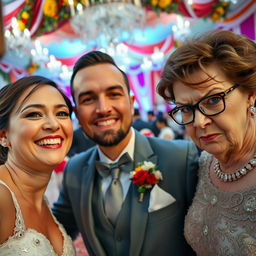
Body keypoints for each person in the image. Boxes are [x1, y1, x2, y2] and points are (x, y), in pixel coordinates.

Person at [52, 50, 199, 256]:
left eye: (113, 94)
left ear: (130, 103)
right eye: (88, 99)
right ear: (77, 114)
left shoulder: (181, 158)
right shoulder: (74, 171)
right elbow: (51, 232)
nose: (103, 108)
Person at [157, 30, 256, 256]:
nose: (200, 121)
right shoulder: (203, 163)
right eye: (185, 109)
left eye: (213, 100)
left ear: (250, 94)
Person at [0, 76, 76, 255]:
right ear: (3, 135)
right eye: (33, 114)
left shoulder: (43, 201)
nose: (53, 124)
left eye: (61, 113)